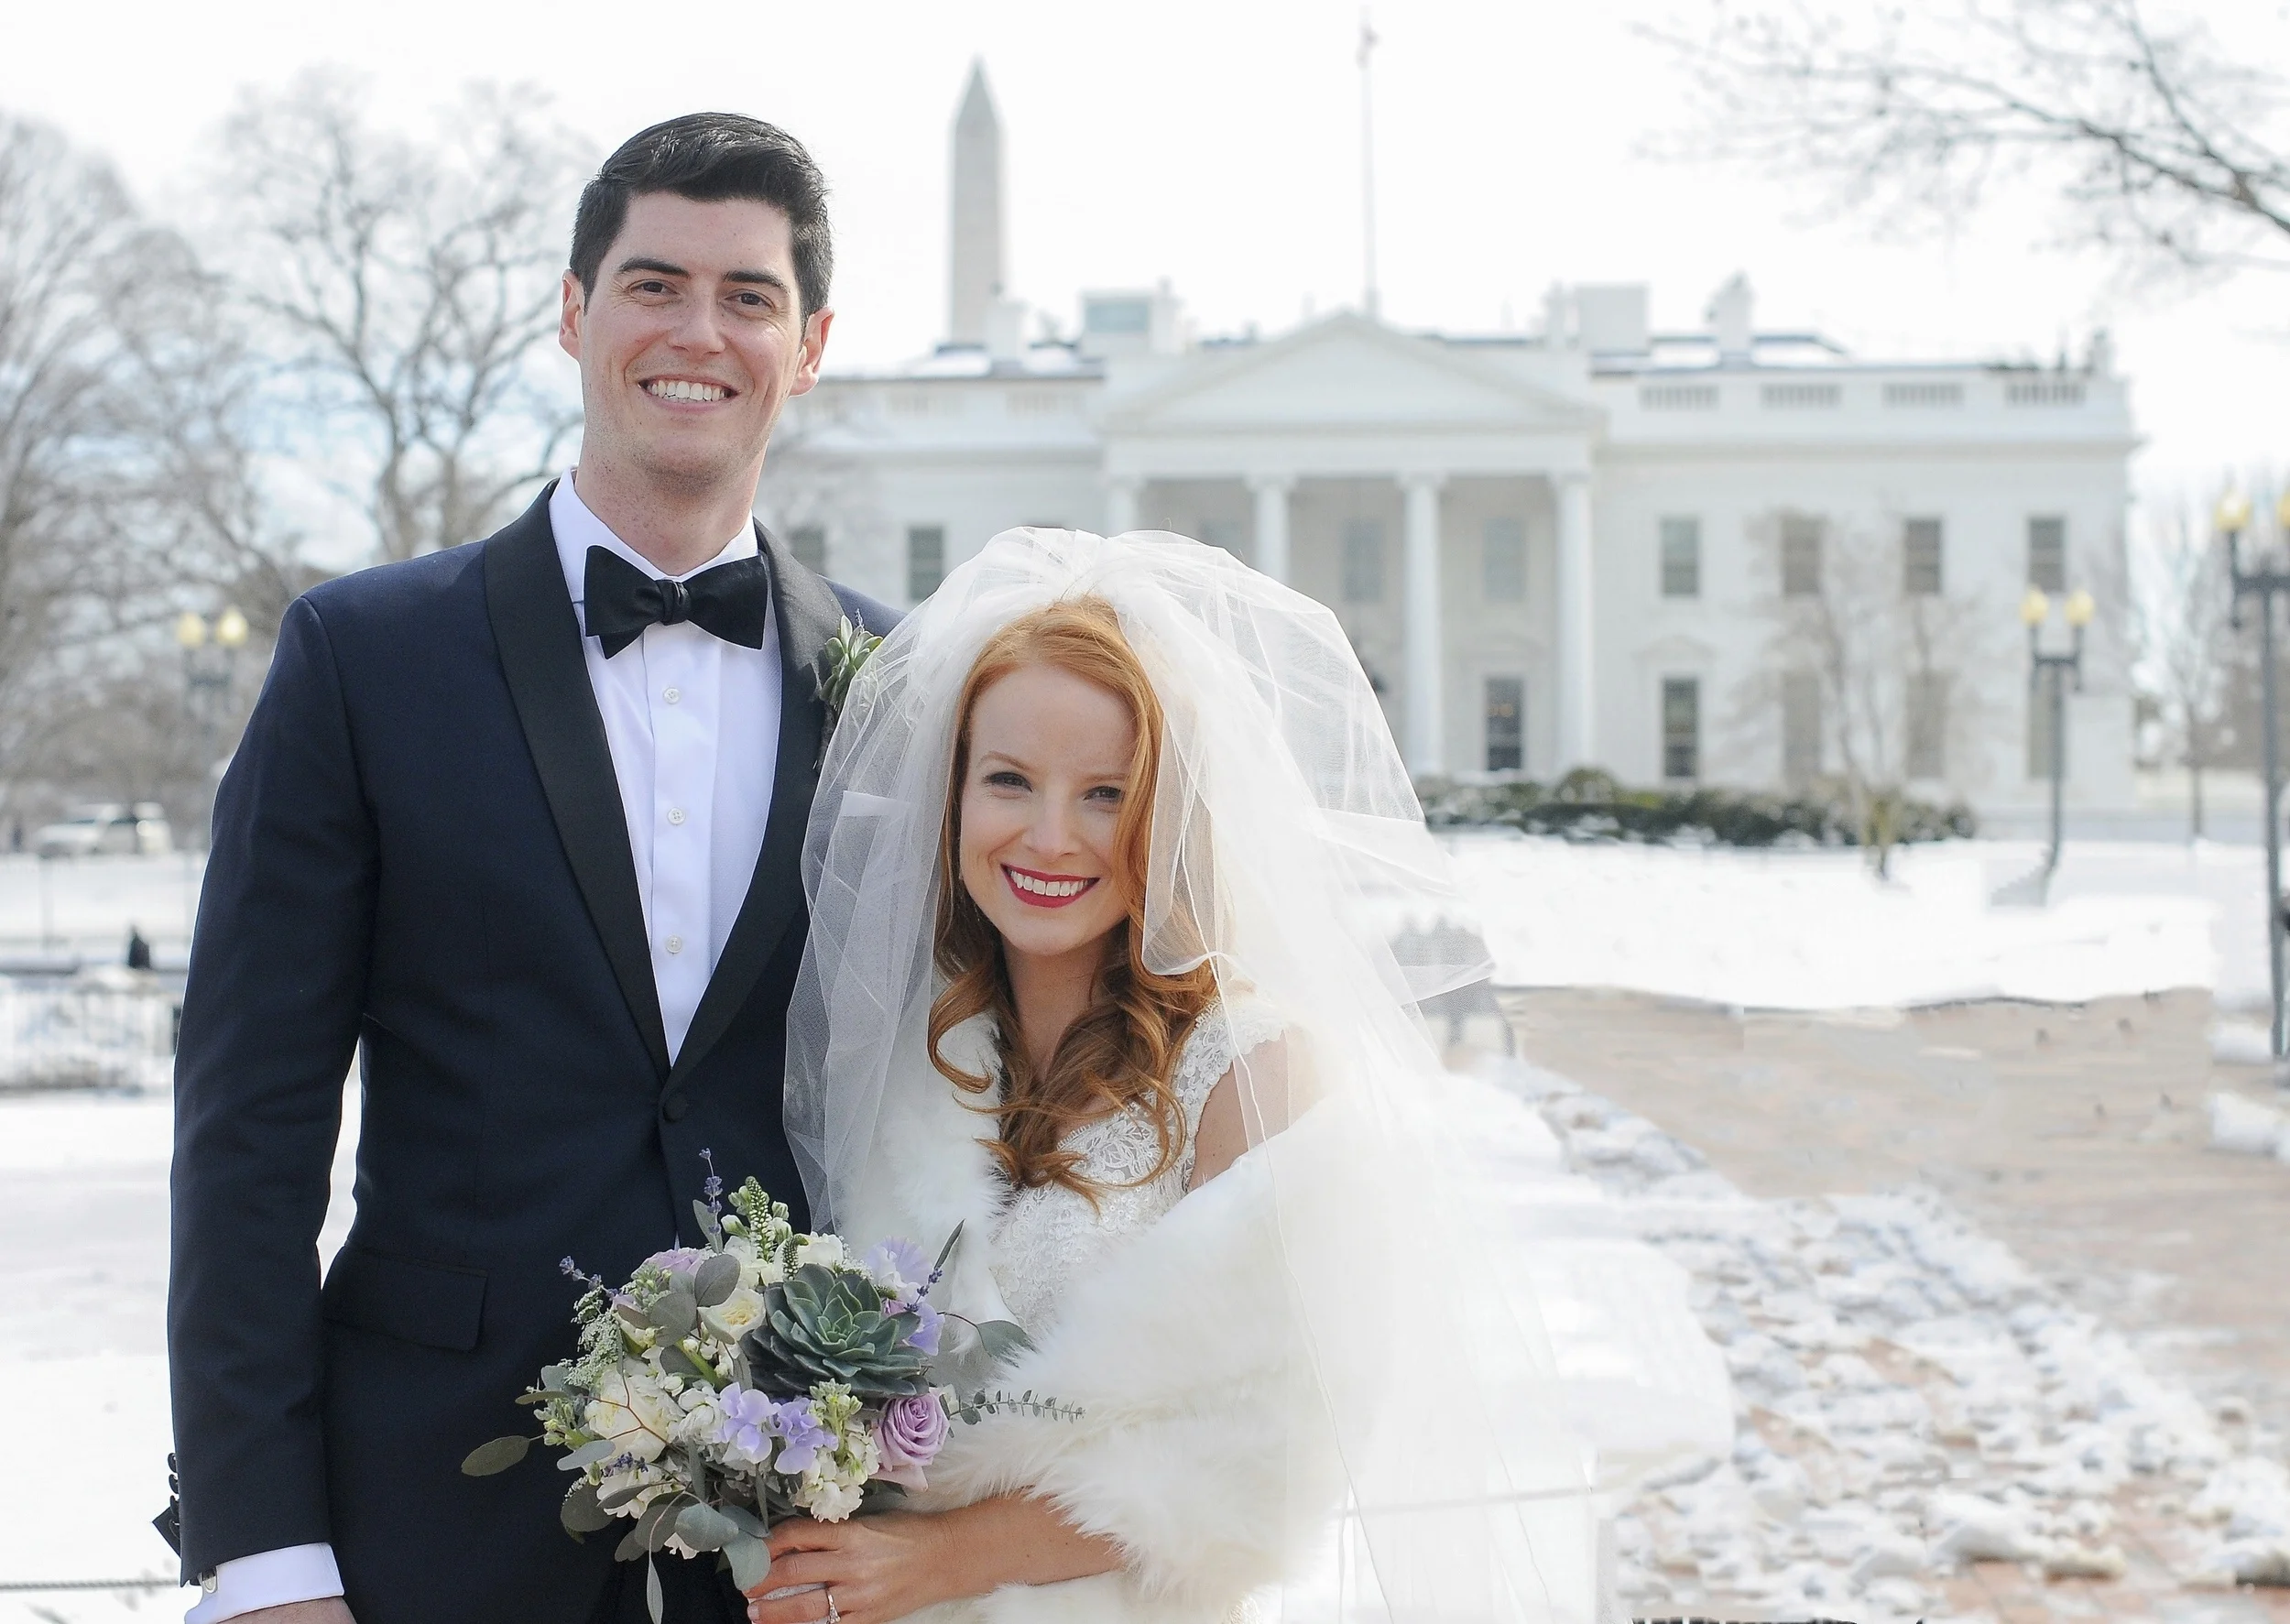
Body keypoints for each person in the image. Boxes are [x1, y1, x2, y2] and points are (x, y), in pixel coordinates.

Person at [166, 114, 893, 1624]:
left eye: (749, 297)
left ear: (810, 346)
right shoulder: (361, 658)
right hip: (424, 1517)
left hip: (802, 1542)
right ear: (574, 312)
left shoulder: (901, 684)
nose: (698, 332)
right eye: (653, 283)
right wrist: (264, 1555)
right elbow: (249, 1135)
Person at [769, 529, 1628, 1624]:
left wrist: (943, 1558)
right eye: (1009, 780)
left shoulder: (1254, 1072)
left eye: (1105, 793)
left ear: (1170, 814)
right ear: (952, 798)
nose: (1050, 836)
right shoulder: (906, 1059)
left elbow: (1269, 1453)